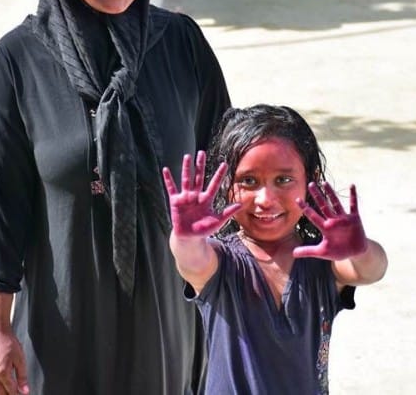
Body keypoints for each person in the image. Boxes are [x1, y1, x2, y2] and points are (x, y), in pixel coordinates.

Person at [0, 0, 230, 395]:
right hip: (63, 318)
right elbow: (2, 211)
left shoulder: (180, 45)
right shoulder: (17, 63)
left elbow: (226, 172)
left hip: (168, 314)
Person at [162, 105, 388, 394]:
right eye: (249, 181)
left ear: (310, 180)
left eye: (283, 180)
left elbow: (371, 269)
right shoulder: (222, 264)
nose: (265, 199)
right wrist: (185, 236)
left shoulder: (320, 264)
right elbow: (190, 258)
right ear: (226, 186)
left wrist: (359, 249)